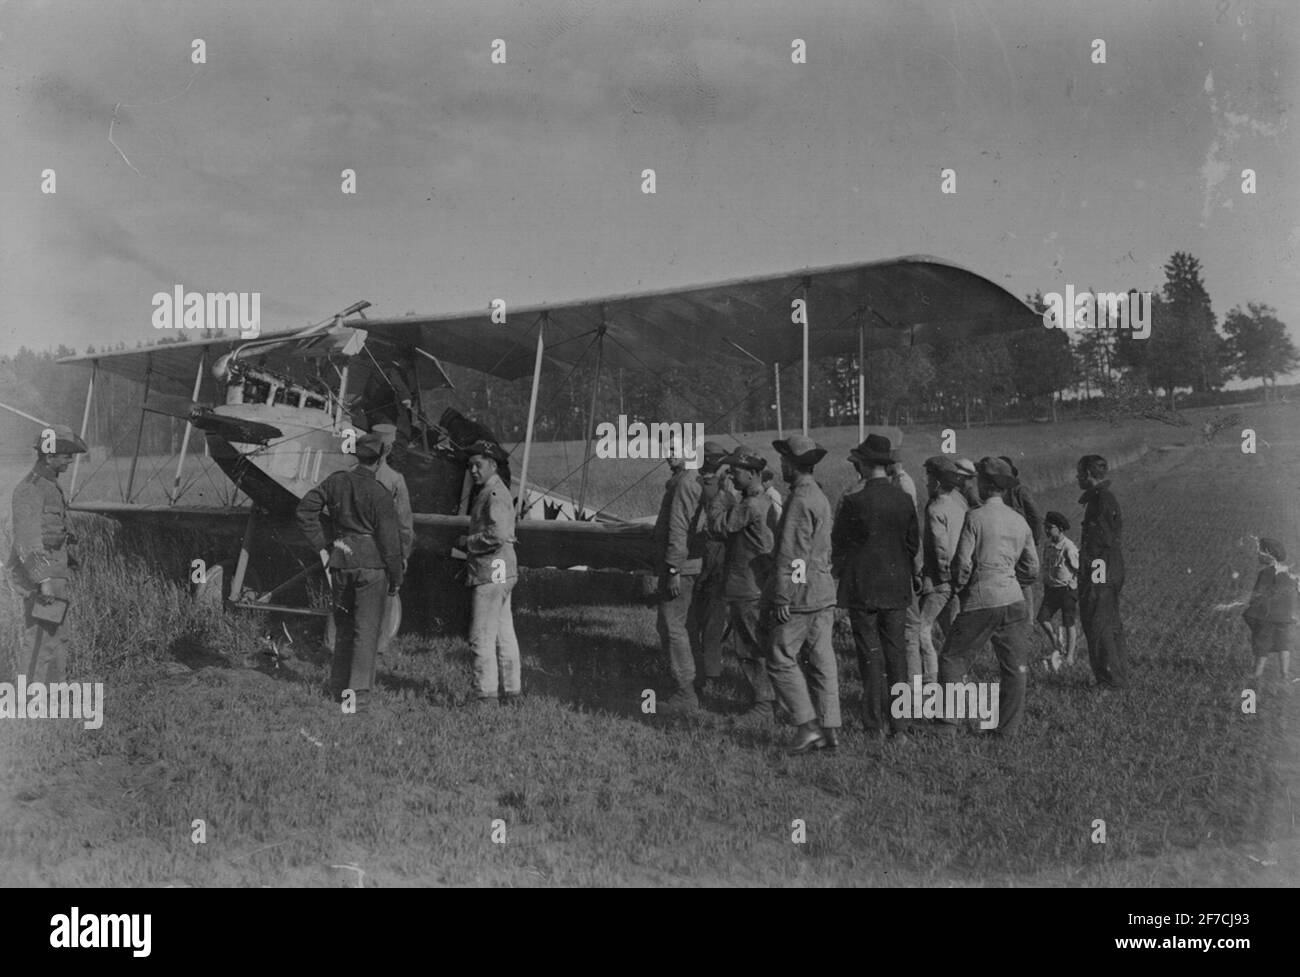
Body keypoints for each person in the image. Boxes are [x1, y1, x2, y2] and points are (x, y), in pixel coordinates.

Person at [296, 431, 404, 712]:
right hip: (372, 566)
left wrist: (323, 545)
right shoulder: (380, 494)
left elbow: (305, 511)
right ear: (380, 459)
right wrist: (396, 577)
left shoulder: (336, 481)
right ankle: (357, 696)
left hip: (341, 561)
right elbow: (391, 545)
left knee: (344, 628)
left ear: (357, 455)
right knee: (365, 632)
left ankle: (337, 687)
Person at [937, 457, 1038, 738]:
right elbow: (1032, 567)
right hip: (1014, 600)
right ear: (1005, 489)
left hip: (981, 599)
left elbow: (963, 563)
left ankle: (947, 725)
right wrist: (1014, 580)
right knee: (1015, 668)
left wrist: (959, 587)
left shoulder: (975, 516)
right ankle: (1007, 730)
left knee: (953, 659)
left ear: (984, 484)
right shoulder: (1019, 521)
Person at [832, 434, 920, 742]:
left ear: (867, 465)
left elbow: (839, 544)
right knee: (897, 656)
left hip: (863, 588)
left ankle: (874, 725)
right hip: (896, 588)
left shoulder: (854, 501)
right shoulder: (905, 499)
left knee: (869, 656)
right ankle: (900, 727)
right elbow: (912, 544)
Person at [766, 435, 839, 754]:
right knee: (823, 660)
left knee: (780, 655)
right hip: (824, 592)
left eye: (784, 460)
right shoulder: (818, 496)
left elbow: (793, 554)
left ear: (794, 465)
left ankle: (806, 726)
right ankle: (829, 728)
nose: (781, 464)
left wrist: (783, 597)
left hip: (802, 594)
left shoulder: (798, 500)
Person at [8, 424, 87, 682]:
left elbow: (52, 531)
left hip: (54, 572)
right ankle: (29, 697)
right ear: (48, 456)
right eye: (65, 454)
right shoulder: (31, 489)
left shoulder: (49, 485)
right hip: (43, 576)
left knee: (57, 634)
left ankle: (54, 692)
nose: (70, 459)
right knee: (42, 635)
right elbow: (27, 542)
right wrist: (43, 581)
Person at [707, 444, 779, 725]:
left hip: (746, 587)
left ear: (751, 474)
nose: (732, 476)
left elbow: (717, 527)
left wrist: (720, 495)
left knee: (749, 647)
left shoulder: (749, 505)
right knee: (757, 643)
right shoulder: (762, 500)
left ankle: (763, 705)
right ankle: (771, 702)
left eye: (736, 472)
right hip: (755, 584)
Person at [456, 439, 521, 705]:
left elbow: (497, 534)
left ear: (492, 465)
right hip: (503, 571)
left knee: (481, 635)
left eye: (478, 465)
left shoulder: (492, 493)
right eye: (470, 466)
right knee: (504, 633)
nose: (472, 470)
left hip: (490, 571)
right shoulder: (496, 489)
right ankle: (512, 691)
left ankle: (486, 695)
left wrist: (467, 543)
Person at [653, 441, 708, 714]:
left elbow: (678, 529)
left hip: (681, 567)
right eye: (668, 449)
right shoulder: (690, 480)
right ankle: (694, 684)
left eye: (675, 450)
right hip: (692, 564)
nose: (669, 455)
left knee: (671, 626)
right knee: (685, 625)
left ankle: (684, 692)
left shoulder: (683, 483)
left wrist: (673, 568)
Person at [1077, 454, 1127, 689]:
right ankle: (1117, 676)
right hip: (1112, 565)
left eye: (1079, 473)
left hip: (1101, 567)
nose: (1077, 477)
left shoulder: (1099, 500)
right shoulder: (1105, 497)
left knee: (1099, 624)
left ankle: (1109, 682)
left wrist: (1092, 577)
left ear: (1088, 474)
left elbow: (1100, 541)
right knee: (1110, 622)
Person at [918, 455, 967, 685]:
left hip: (940, 581)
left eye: (928, 479)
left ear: (937, 483)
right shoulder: (959, 503)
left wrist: (943, 578)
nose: (926, 484)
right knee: (951, 630)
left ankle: (930, 678)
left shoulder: (935, 509)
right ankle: (960, 677)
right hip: (958, 578)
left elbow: (940, 550)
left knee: (921, 629)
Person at [688, 441, 730, 701]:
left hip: (705, 558)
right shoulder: (725, 489)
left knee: (699, 619)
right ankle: (710, 672)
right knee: (714, 620)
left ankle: (701, 675)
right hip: (718, 559)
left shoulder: (700, 486)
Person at [1242, 537, 1295, 690]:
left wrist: (1252, 606)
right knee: (1283, 644)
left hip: (1267, 616)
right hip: (1284, 617)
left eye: (1260, 551)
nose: (1258, 554)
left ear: (1268, 554)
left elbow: (1258, 593)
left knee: (1262, 643)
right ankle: (1284, 675)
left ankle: (1257, 673)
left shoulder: (1265, 573)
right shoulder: (1287, 572)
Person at [890, 457, 925, 681]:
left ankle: (911, 683)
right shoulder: (901, 483)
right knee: (910, 628)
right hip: (905, 566)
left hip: (899, 566)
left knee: (909, 628)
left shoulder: (903, 485)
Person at [1000, 456, 1043, 618]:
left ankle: (1028, 620)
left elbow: (1035, 516)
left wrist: (1035, 541)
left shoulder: (1020, 491)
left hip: (1020, 542)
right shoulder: (1001, 491)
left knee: (1023, 583)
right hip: (1005, 543)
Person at [1036, 511, 1080, 670]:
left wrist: (1074, 585)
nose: (1047, 531)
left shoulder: (1069, 547)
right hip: (1051, 590)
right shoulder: (1047, 545)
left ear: (1060, 528)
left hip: (1067, 590)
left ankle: (1069, 656)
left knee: (1068, 622)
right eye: (1045, 527)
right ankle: (1057, 643)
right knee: (1042, 618)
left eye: (1050, 527)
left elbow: (1079, 569)